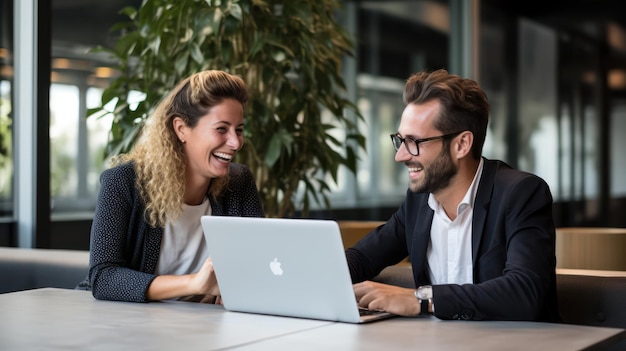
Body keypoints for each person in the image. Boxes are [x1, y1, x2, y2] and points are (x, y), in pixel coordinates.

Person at [347, 69, 559, 322]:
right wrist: (311, 278)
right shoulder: (419, 202)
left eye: (414, 142)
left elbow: (525, 292)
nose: (400, 156)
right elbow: (363, 257)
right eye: (400, 140)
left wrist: (422, 299)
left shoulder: (520, 193)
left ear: (461, 144)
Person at [77, 70, 265, 303]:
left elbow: (257, 263)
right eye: (221, 129)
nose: (235, 142)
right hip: (121, 323)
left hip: (202, 328)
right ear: (181, 129)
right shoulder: (124, 182)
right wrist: (194, 283)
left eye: (239, 129)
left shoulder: (238, 183)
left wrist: (235, 289)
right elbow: (104, 278)